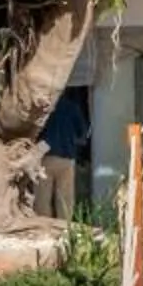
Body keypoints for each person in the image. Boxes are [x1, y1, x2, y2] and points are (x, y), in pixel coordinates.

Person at [39, 87, 89, 220]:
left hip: (45, 158)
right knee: (65, 200)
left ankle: (46, 230)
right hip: (67, 159)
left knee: (42, 199)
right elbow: (82, 135)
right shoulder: (72, 108)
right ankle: (64, 231)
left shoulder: (43, 110)